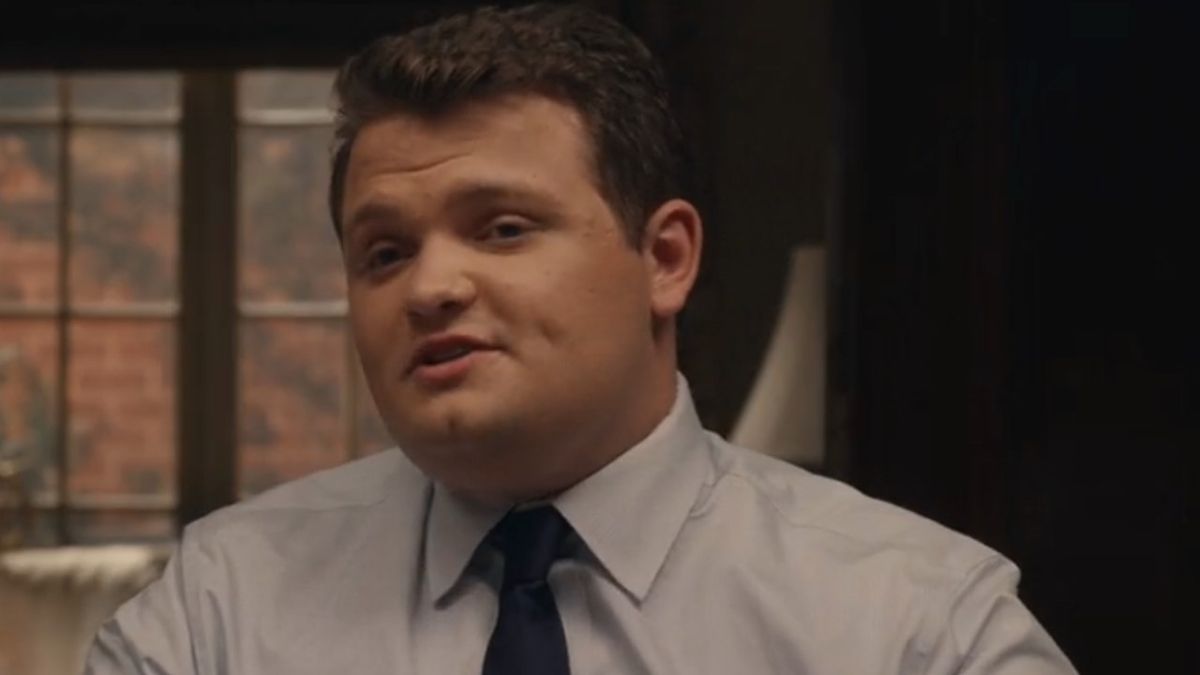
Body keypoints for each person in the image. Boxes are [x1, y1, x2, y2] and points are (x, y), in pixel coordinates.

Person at [84, 3, 1077, 674]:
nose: (429, 287)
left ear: (666, 258)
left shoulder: (916, 626)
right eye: (383, 252)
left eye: (503, 229)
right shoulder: (219, 612)